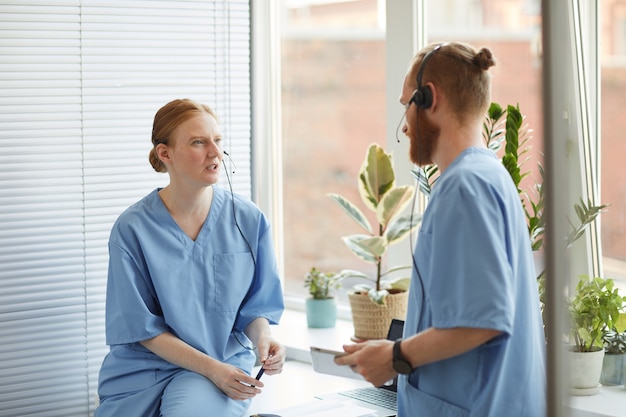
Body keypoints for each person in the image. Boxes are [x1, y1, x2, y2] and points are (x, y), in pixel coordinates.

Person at [335, 42, 546, 416]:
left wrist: (395, 355)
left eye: (407, 105)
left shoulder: (464, 187)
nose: (404, 125)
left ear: (429, 97)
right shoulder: (489, 176)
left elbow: (482, 321)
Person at [95, 98, 286, 417]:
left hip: (220, 366)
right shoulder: (133, 228)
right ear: (165, 153)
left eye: (218, 140)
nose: (215, 152)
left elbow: (255, 308)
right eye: (199, 142)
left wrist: (264, 339)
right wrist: (212, 369)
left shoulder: (249, 220)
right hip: (144, 371)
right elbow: (141, 327)